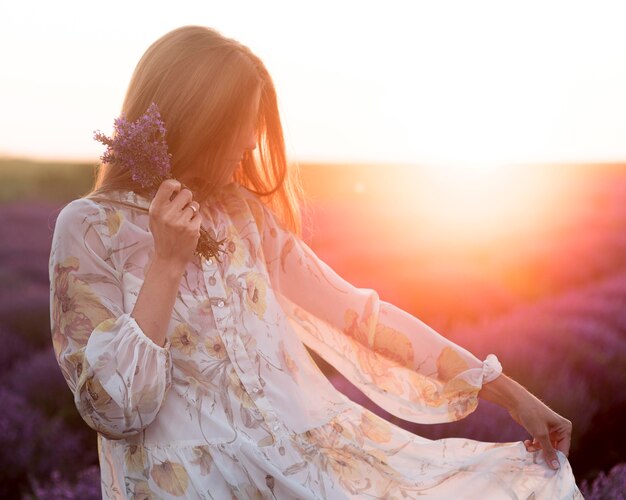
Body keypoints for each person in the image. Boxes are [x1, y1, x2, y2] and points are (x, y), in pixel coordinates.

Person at [49, 25, 583, 499]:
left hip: (296, 479)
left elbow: (361, 316)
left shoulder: (242, 216)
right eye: (243, 122)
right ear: (199, 119)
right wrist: (166, 263)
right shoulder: (89, 228)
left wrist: (506, 391)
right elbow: (115, 410)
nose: (253, 140)